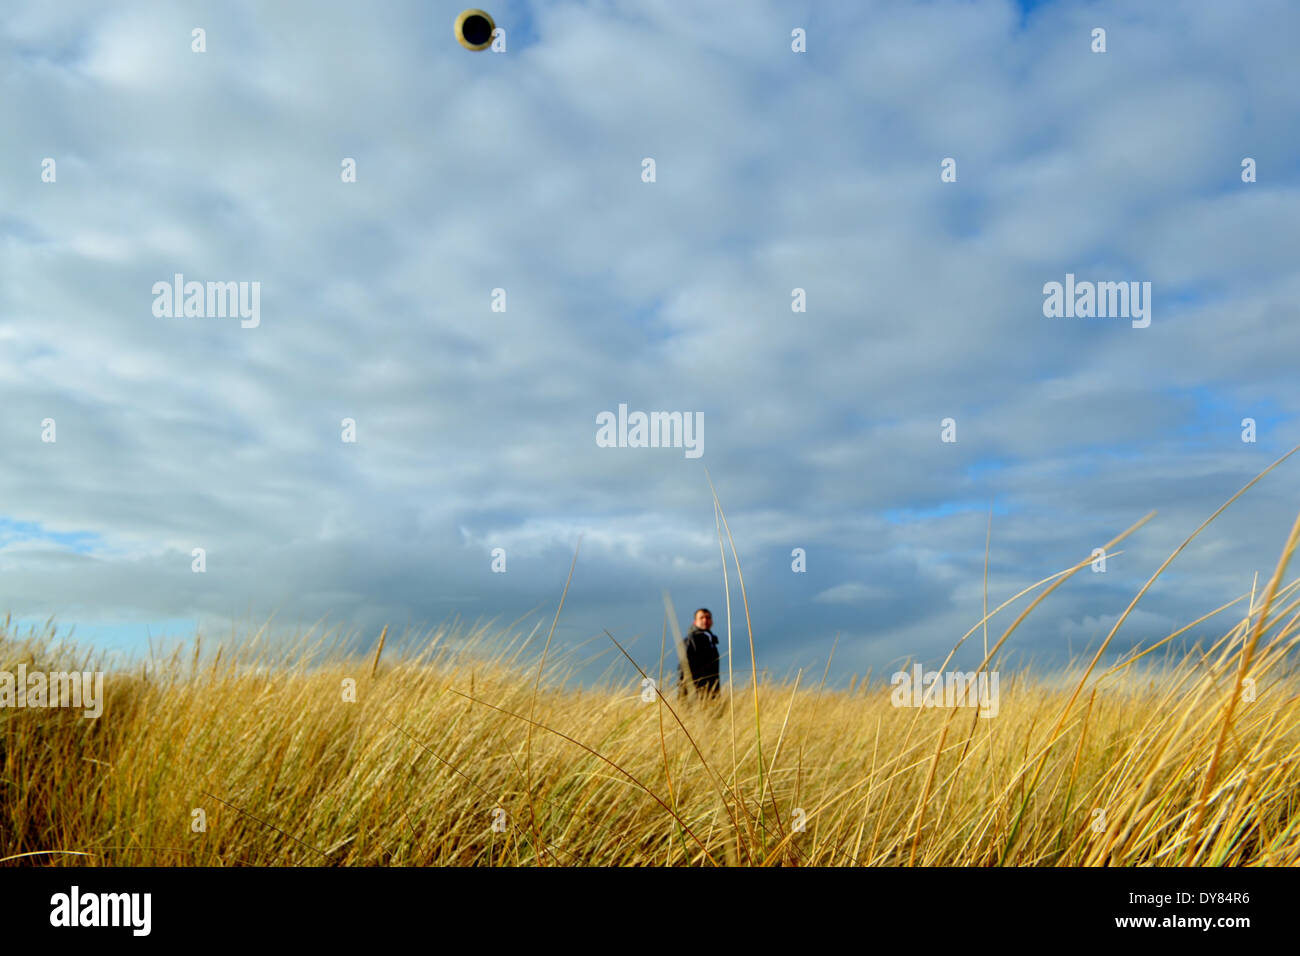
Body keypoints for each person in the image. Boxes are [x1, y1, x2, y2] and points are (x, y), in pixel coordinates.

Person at [678, 608, 721, 700]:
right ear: (695, 622)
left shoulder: (710, 640)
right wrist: (683, 694)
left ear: (712, 621)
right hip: (697, 694)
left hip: (711, 693)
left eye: (708, 617)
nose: (705, 620)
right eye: (701, 618)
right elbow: (683, 668)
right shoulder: (691, 640)